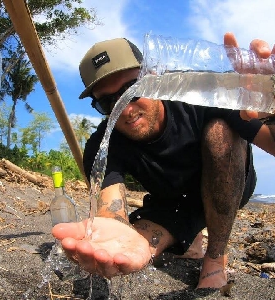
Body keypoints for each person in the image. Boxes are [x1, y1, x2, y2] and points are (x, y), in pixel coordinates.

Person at [52, 32, 275, 289]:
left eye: (132, 90)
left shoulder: (198, 97)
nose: (126, 109)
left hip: (229, 184)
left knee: (219, 130)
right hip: (174, 202)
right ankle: (189, 238)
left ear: (152, 78)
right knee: (132, 246)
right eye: (107, 103)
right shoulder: (102, 142)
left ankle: (215, 256)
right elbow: (111, 208)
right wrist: (112, 231)